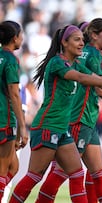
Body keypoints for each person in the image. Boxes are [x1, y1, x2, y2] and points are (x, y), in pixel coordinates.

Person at [9, 24, 102, 203]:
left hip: (62, 129)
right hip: (47, 125)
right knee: (35, 176)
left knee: (76, 173)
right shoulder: (57, 62)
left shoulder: (77, 64)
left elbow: (95, 79)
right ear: (64, 43)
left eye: (82, 39)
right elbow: (84, 79)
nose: (82, 43)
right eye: (77, 40)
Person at [36, 18, 102, 203]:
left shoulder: (82, 55)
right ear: (94, 35)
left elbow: (94, 84)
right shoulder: (94, 55)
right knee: (62, 173)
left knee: (97, 173)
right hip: (81, 118)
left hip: (86, 119)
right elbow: (98, 87)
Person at [0, 20, 28, 201]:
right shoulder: (11, 59)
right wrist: (22, 127)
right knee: (2, 171)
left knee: (13, 167)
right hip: (4, 119)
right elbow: (14, 94)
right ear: (15, 37)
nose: (22, 38)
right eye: (21, 34)